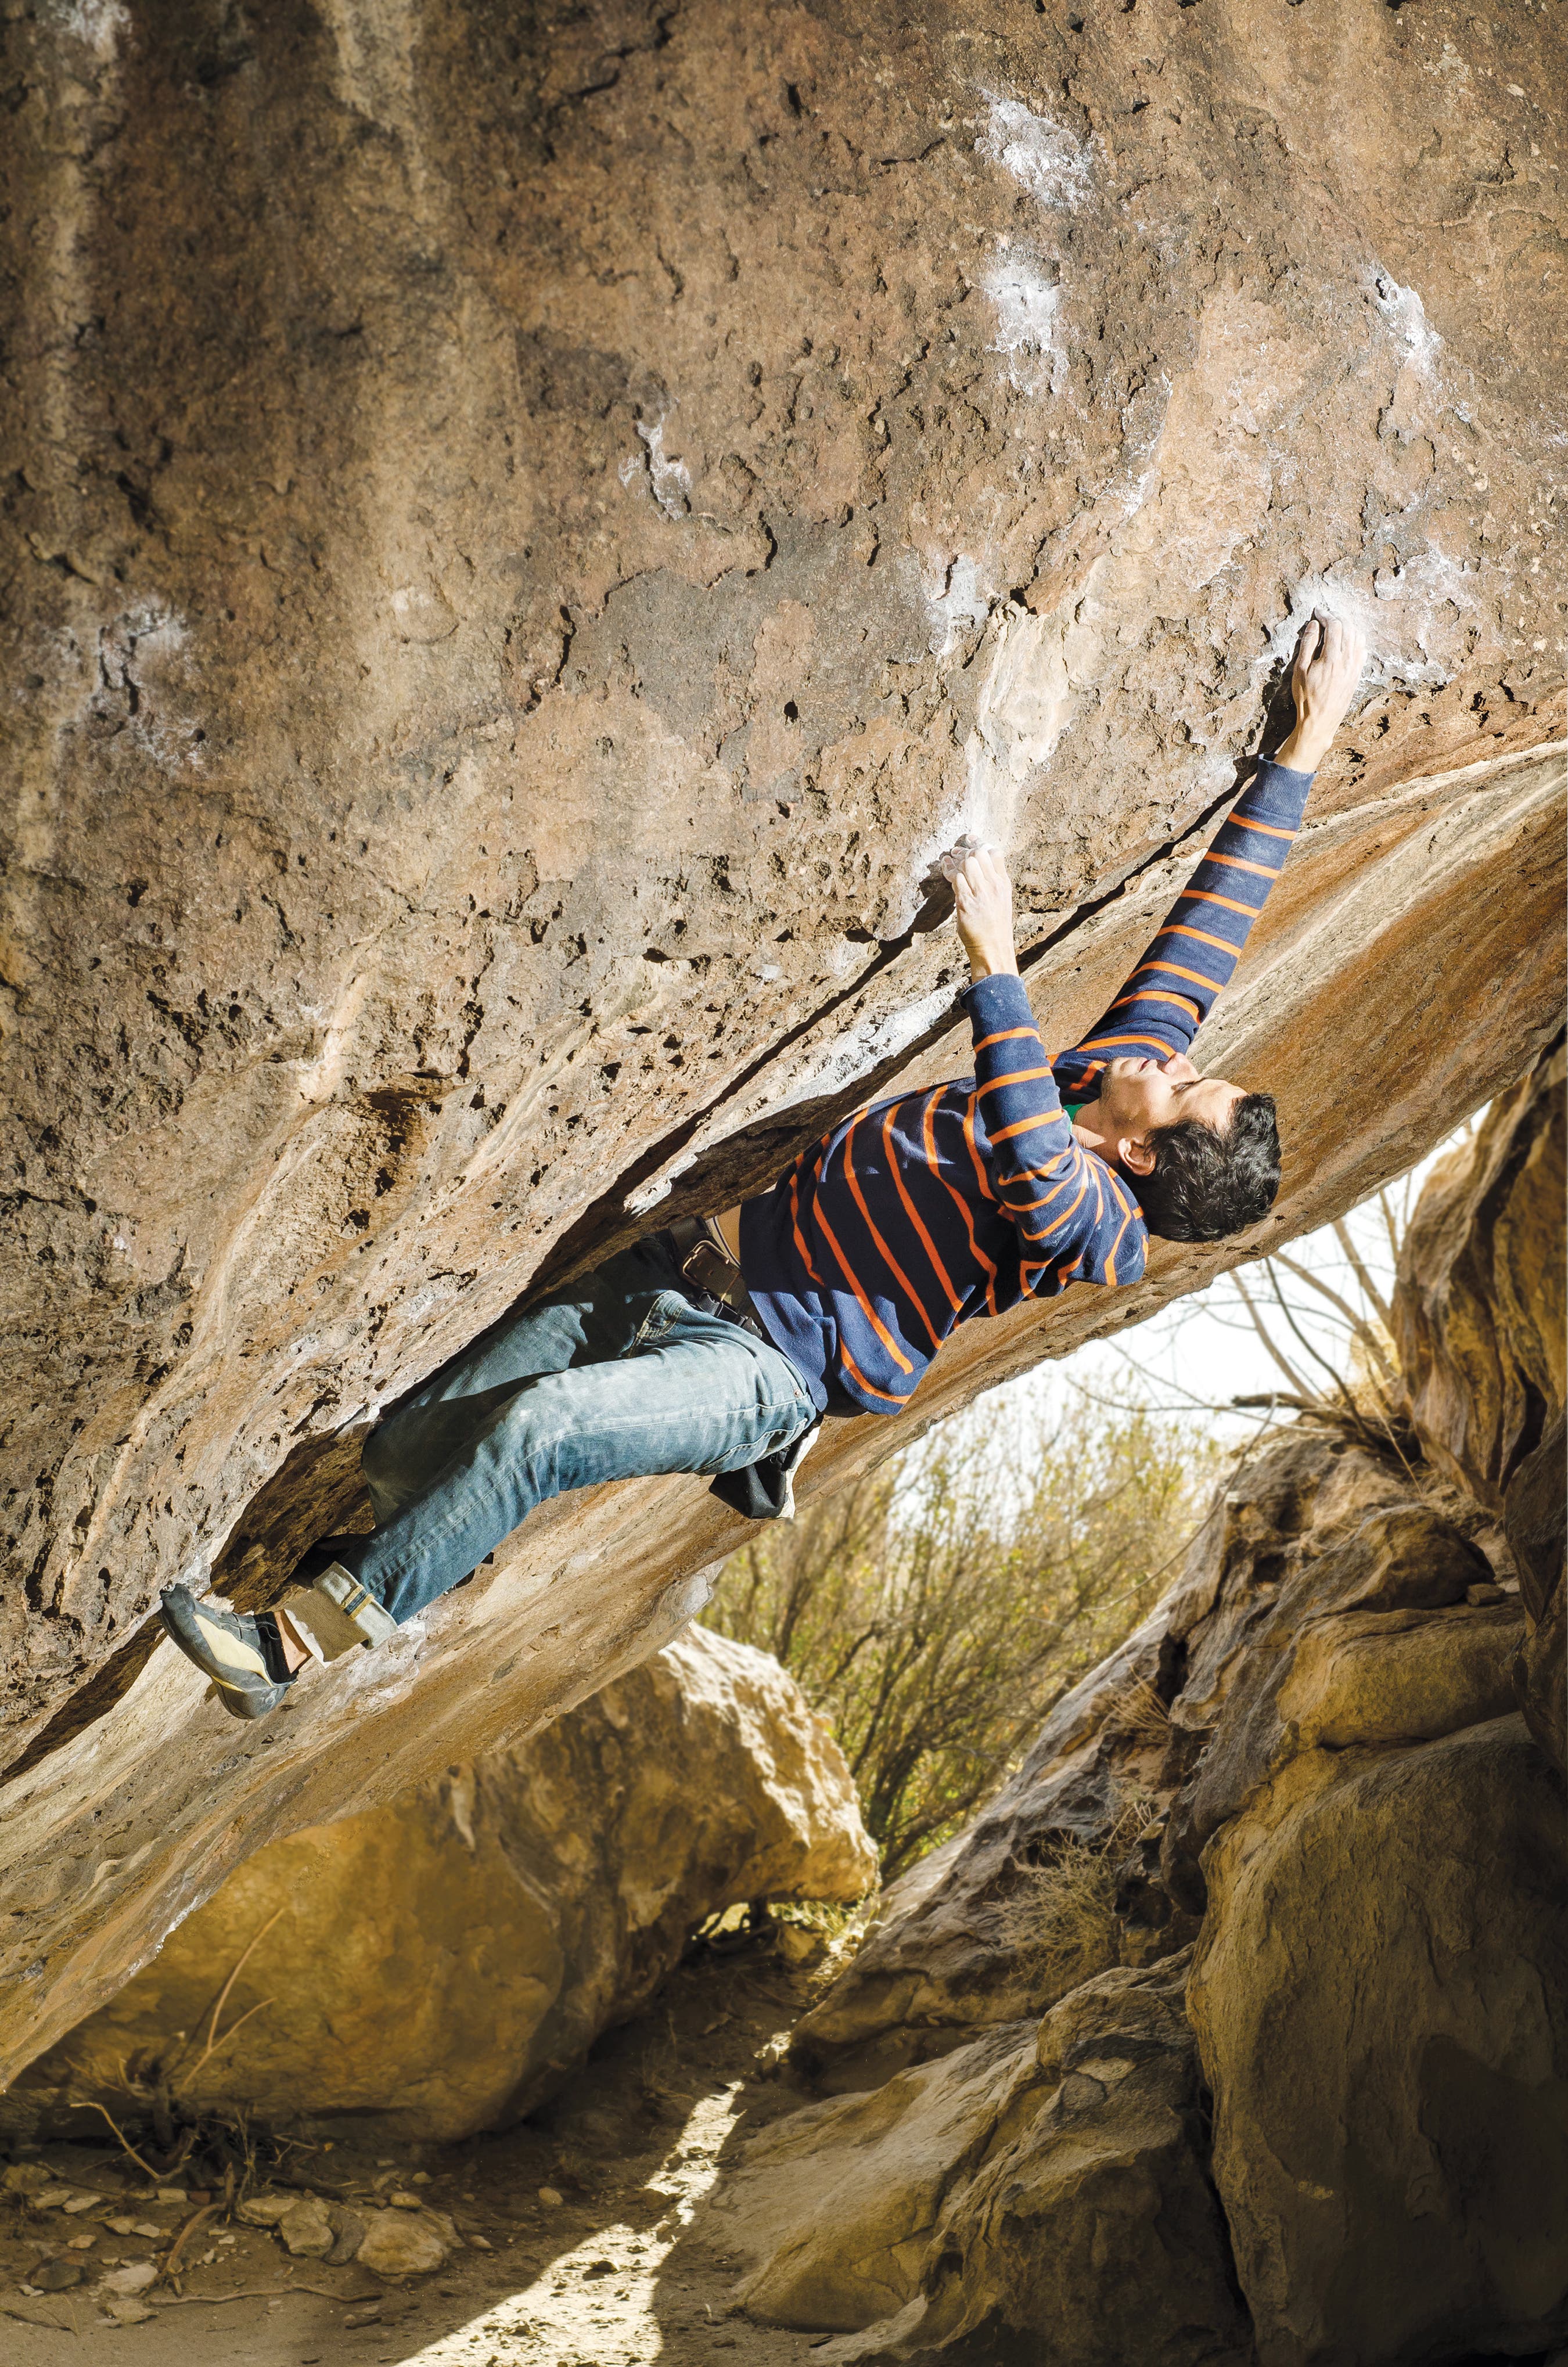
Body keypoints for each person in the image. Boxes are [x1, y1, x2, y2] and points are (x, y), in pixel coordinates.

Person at [161, 611, 1365, 1717]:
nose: (1184, 1053)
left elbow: (1029, 1158)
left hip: (762, 1372)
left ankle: (293, 1649)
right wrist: (1308, 743)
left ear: (1147, 1147)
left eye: (1191, 1079)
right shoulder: (1123, 1065)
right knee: (408, 1445)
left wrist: (994, 961)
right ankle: (416, 1556)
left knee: (542, 1427)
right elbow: (1212, 928)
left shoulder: (1098, 1222)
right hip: (677, 1266)